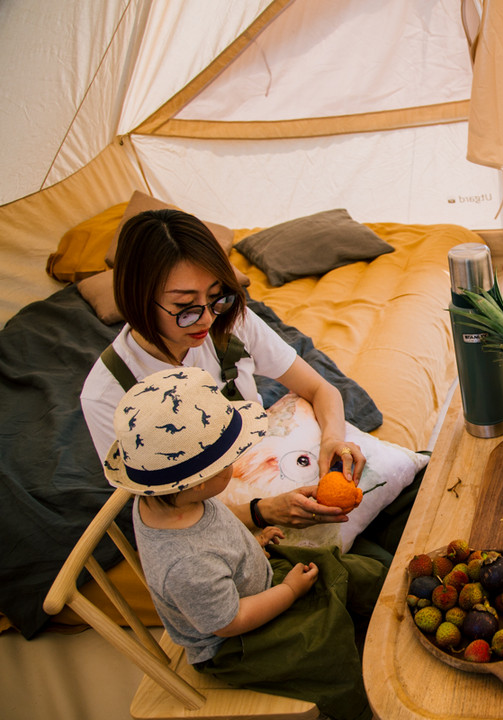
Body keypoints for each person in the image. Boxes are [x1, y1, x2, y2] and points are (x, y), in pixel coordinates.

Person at [103, 367, 381, 720]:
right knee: (323, 645)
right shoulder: (185, 565)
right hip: (236, 640)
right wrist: (291, 592)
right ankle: (362, 708)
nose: (235, 463)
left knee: (350, 571)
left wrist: (254, 538)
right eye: (228, 461)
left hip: (254, 575)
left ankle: (380, 625)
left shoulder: (174, 498)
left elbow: (215, 533)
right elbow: (231, 620)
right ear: (198, 482)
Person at [82, 208, 363, 528]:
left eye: (217, 297)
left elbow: (319, 388)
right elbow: (160, 515)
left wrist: (332, 440)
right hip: (218, 518)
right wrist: (262, 512)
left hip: (272, 464)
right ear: (139, 299)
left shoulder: (229, 321)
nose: (205, 319)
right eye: (184, 307)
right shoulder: (109, 394)